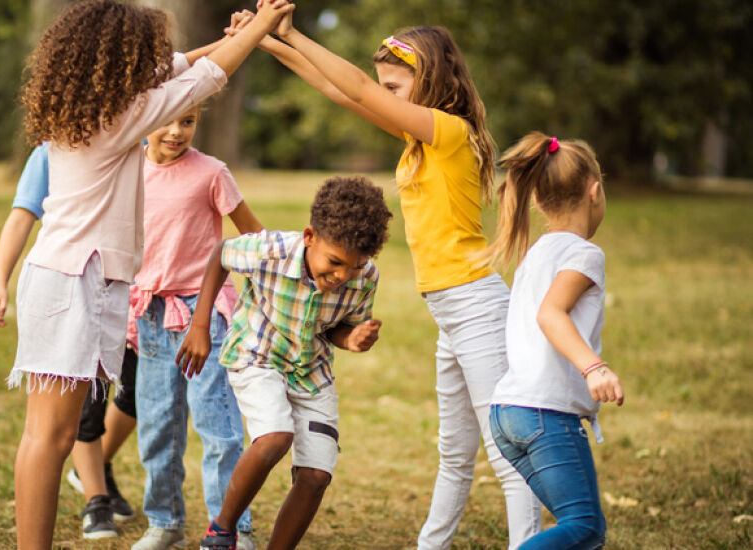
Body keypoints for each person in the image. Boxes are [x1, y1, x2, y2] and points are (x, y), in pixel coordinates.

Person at [239, 7, 541, 549]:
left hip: (474, 304)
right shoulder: (420, 138)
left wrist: (294, 32)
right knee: (454, 450)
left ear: (428, 81)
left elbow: (354, 84)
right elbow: (344, 94)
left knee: (502, 449)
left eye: (394, 86)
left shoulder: (448, 132)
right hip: (451, 311)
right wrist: (270, 41)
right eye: (385, 87)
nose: (383, 94)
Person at [8, 1, 294, 548]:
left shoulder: (92, 106)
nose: (156, 64)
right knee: (51, 436)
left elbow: (188, 64)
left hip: (60, 275)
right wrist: (260, 23)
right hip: (75, 281)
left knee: (44, 435)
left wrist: (238, 37)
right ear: (121, 60)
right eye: (145, 56)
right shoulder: (121, 117)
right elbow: (209, 75)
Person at [177, 176, 393, 550]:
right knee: (275, 436)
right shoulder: (271, 250)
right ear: (309, 236)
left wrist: (353, 339)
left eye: (354, 267)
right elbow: (222, 253)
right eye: (335, 262)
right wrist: (200, 324)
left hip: (311, 373)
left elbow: (337, 330)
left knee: (316, 475)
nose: (342, 276)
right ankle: (222, 531)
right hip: (257, 355)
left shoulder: (365, 277)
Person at [0, 143, 138, 540]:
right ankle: (93, 496)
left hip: (113, 295)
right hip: (68, 287)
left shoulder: (136, 144)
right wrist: (0, 280)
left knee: (60, 429)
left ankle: (96, 486)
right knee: (53, 431)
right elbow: (22, 217)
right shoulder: (49, 152)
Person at [128, 103, 263, 550]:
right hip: (150, 314)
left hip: (204, 315)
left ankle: (232, 528)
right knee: (157, 426)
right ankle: (164, 523)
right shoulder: (126, 170)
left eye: (188, 121)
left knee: (218, 427)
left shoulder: (211, 173)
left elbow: (251, 236)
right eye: (168, 119)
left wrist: (267, 296)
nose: (176, 131)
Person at [486, 133, 623, 549]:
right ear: (594, 192)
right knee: (584, 526)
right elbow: (551, 314)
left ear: (539, 202)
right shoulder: (584, 253)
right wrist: (593, 366)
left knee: (576, 530)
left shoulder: (537, 252)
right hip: (545, 414)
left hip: (507, 413)